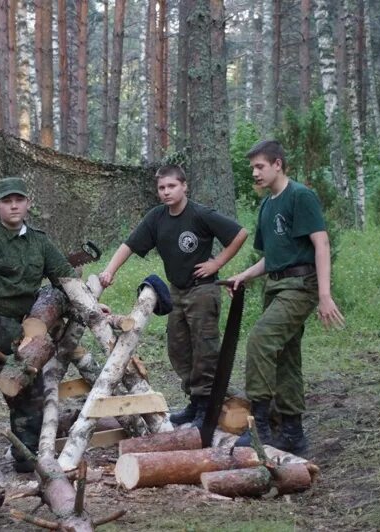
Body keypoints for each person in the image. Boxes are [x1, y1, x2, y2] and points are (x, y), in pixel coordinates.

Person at [99, 165, 248, 428]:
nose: (166, 192)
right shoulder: (157, 218)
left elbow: (239, 234)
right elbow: (129, 245)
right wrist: (109, 271)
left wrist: (217, 263)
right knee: (178, 349)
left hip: (202, 290)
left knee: (205, 349)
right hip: (177, 292)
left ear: (184, 186)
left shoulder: (200, 214)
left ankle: (207, 408)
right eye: (161, 188)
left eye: (171, 186)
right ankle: (195, 402)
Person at [228, 140, 345, 455]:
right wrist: (244, 275)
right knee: (286, 356)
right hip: (276, 287)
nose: (255, 173)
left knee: (260, 341)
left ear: (277, 164)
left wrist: (324, 294)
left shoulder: (300, 196)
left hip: (301, 286)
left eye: (259, 166)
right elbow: (272, 258)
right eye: (252, 167)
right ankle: (293, 433)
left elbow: (321, 244)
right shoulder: (267, 205)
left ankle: (261, 428)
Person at [0, 177, 76, 475]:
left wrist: (90, 304)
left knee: (28, 394)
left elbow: (65, 276)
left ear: (27, 203)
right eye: (7, 201)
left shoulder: (39, 241)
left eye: (18, 200)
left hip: (20, 331)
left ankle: (25, 455)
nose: (13, 206)